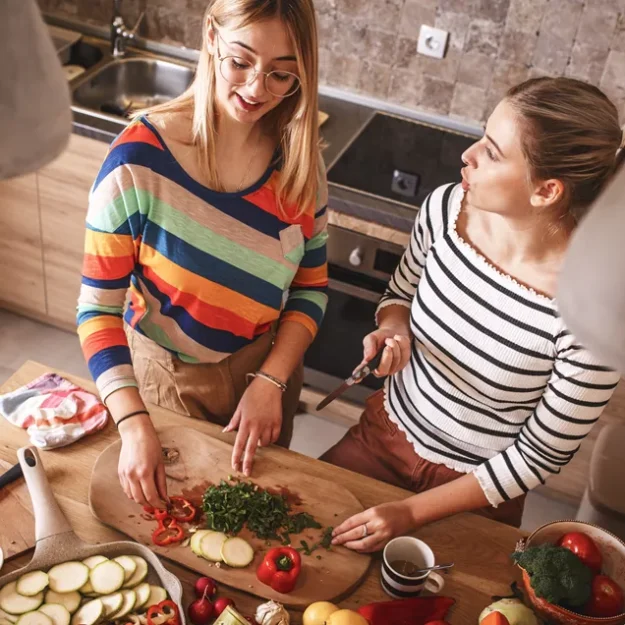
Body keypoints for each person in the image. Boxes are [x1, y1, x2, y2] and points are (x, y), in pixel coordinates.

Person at [324, 77, 623, 553]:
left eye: (493, 151)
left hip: (477, 493)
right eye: (483, 134)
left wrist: (410, 513)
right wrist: (393, 328)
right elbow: (399, 293)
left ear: (546, 190)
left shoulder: (595, 310)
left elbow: (538, 456)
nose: (468, 154)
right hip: (381, 438)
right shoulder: (446, 209)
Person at [77, 0, 328, 508]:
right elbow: (96, 312)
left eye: (282, 75)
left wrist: (272, 380)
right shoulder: (137, 163)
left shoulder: (300, 166)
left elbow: (310, 288)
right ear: (212, 38)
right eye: (241, 61)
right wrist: (132, 423)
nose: (257, 89)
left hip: (267, 371)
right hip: (168, 377)